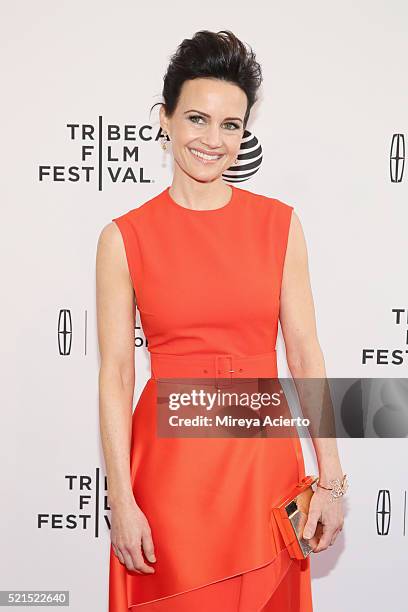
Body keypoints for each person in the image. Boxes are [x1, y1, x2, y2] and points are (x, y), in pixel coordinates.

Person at [96, 29, 347, 612]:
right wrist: (122, 500)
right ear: (165, 119)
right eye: (196, 119)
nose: (213, 140)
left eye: (230, 125)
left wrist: (331, 479)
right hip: (169, 477)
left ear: (245, 130)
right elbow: (114, 375)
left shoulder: (279, 226)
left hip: (262, 467)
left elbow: (307, 355)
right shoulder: (123, 239)